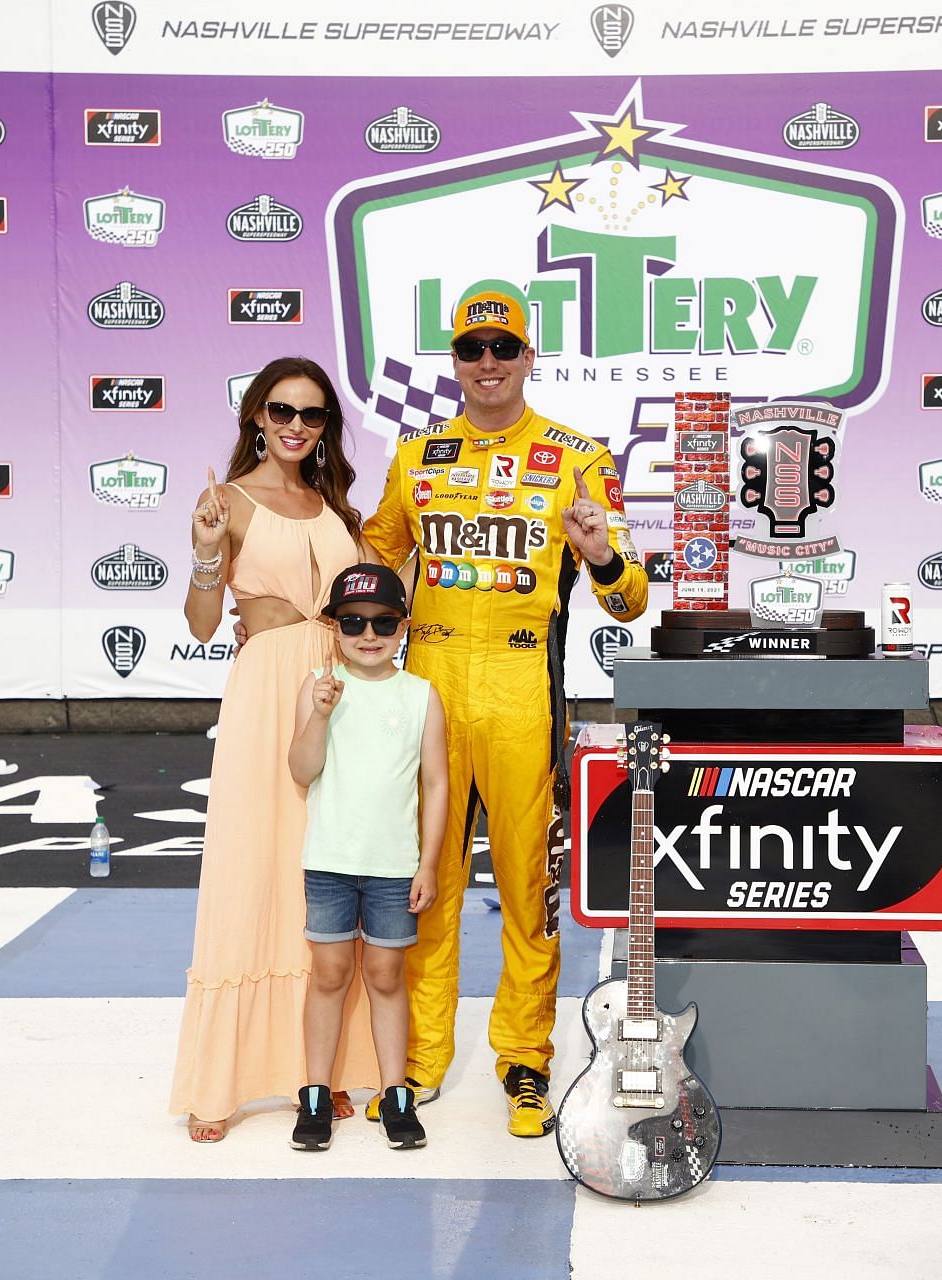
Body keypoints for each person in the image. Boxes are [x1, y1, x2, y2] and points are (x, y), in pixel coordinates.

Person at [362, 289, 650, 1137]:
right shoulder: (416, 455)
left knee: (528, 886)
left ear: (529, 357)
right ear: (455, 360)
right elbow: (374, 557)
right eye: (471, 348)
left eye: (504, 346)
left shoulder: (575, 457)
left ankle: (526, 1059)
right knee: (428, 884)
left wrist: (599, 554)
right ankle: (419, 1057)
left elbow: (631, 598)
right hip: (432, 686)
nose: (488, 362)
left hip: (526, 691)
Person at [169, 357, 381, 1141]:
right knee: (253, 865)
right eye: (283, 410)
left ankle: (317, 1071)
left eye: (314, 415)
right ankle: (219, 1084)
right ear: (257, 414)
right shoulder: (226, 501)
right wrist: (203, 551)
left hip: (342, 692)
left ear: (326, 428)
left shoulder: (334, 507)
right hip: (267, 695)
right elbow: (199, 622)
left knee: (325, 871)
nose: (297, 426)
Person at [286, 564, 448, 1151]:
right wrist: (321, 713)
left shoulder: (421, 695)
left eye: (383, 621)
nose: (368, 634)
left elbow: (438, 786)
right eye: (353, 621)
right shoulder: (319, 685)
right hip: (329, 860)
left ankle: (395, 1095)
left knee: (386, 975)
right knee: (329, 974)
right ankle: (316, 1096)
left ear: (403, 625)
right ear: (334, 627)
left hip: (394, 866)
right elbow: (301, 770)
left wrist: (428, 863)